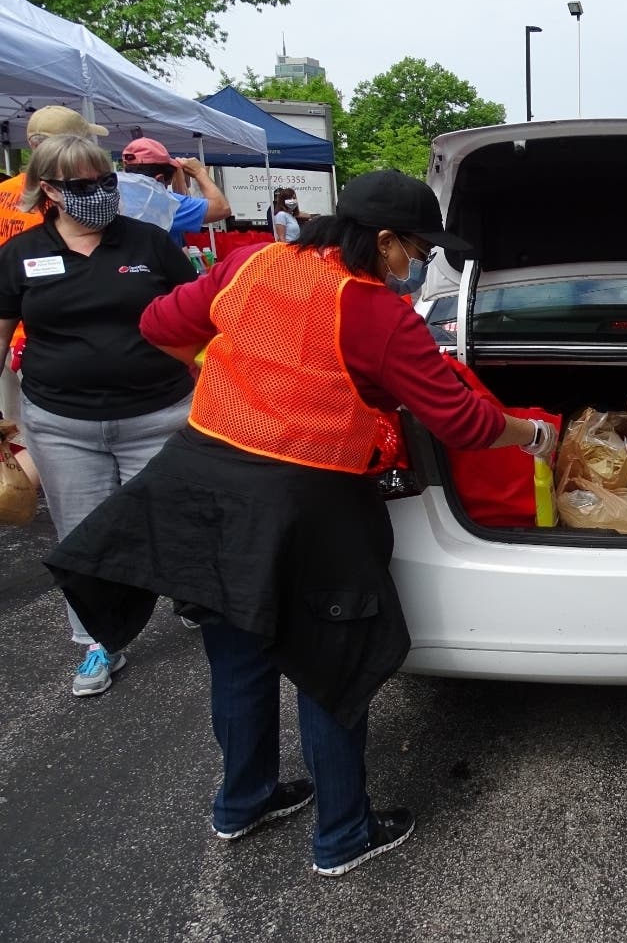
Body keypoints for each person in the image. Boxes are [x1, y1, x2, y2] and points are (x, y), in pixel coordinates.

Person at [44, 169, 559, 878]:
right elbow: (462, 421)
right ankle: (343, 835)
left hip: (202, 482)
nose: (415, 264)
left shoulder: (251, 262)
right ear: (382, 241)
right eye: (413, 249)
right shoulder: (376, 313)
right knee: (329, 659)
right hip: (306, 503)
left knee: (238, 652)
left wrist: (216, 380)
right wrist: (531, 436)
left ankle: (243, 802)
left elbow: (160, 325)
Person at [0, 134, 197, 696]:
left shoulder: (150, 244)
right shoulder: (19, 255)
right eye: (83, 187)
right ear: (50, 192)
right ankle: (96, 643)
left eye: (107, 182)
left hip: (157, 415)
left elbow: (199, 316)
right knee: (84, 539)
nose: (100, 195)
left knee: (169, 523)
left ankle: (193, 600)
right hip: (62, 425)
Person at [0, 105, 111, 489]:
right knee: (38, 440)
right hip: (43, 338)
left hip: (18, 334)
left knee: (17, 431)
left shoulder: (4, 193)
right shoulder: (55, 202)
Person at [120, 137, 232, 247]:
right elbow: (222, 208)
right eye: (168, 182)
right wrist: (199, 173)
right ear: (160, 179)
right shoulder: (167, 204)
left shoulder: (114, 198)